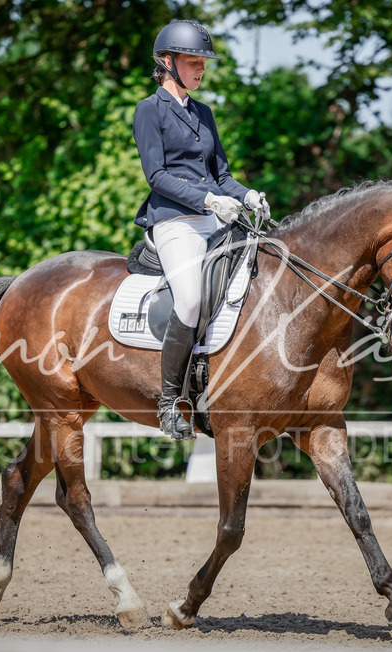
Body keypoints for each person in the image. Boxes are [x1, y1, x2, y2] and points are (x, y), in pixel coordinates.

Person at [133, 19, 270, 440]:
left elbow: (222, 174)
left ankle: (220, 386)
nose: (201, 70)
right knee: (190, 301)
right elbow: (156, 175)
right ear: (167, 62)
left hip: (217, 219)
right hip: (174, 221)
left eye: (203, 64)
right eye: (194, 62)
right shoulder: (149, 110)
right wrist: (208, 200)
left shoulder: (203, 113)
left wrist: (246, 195)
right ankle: (170, 401)